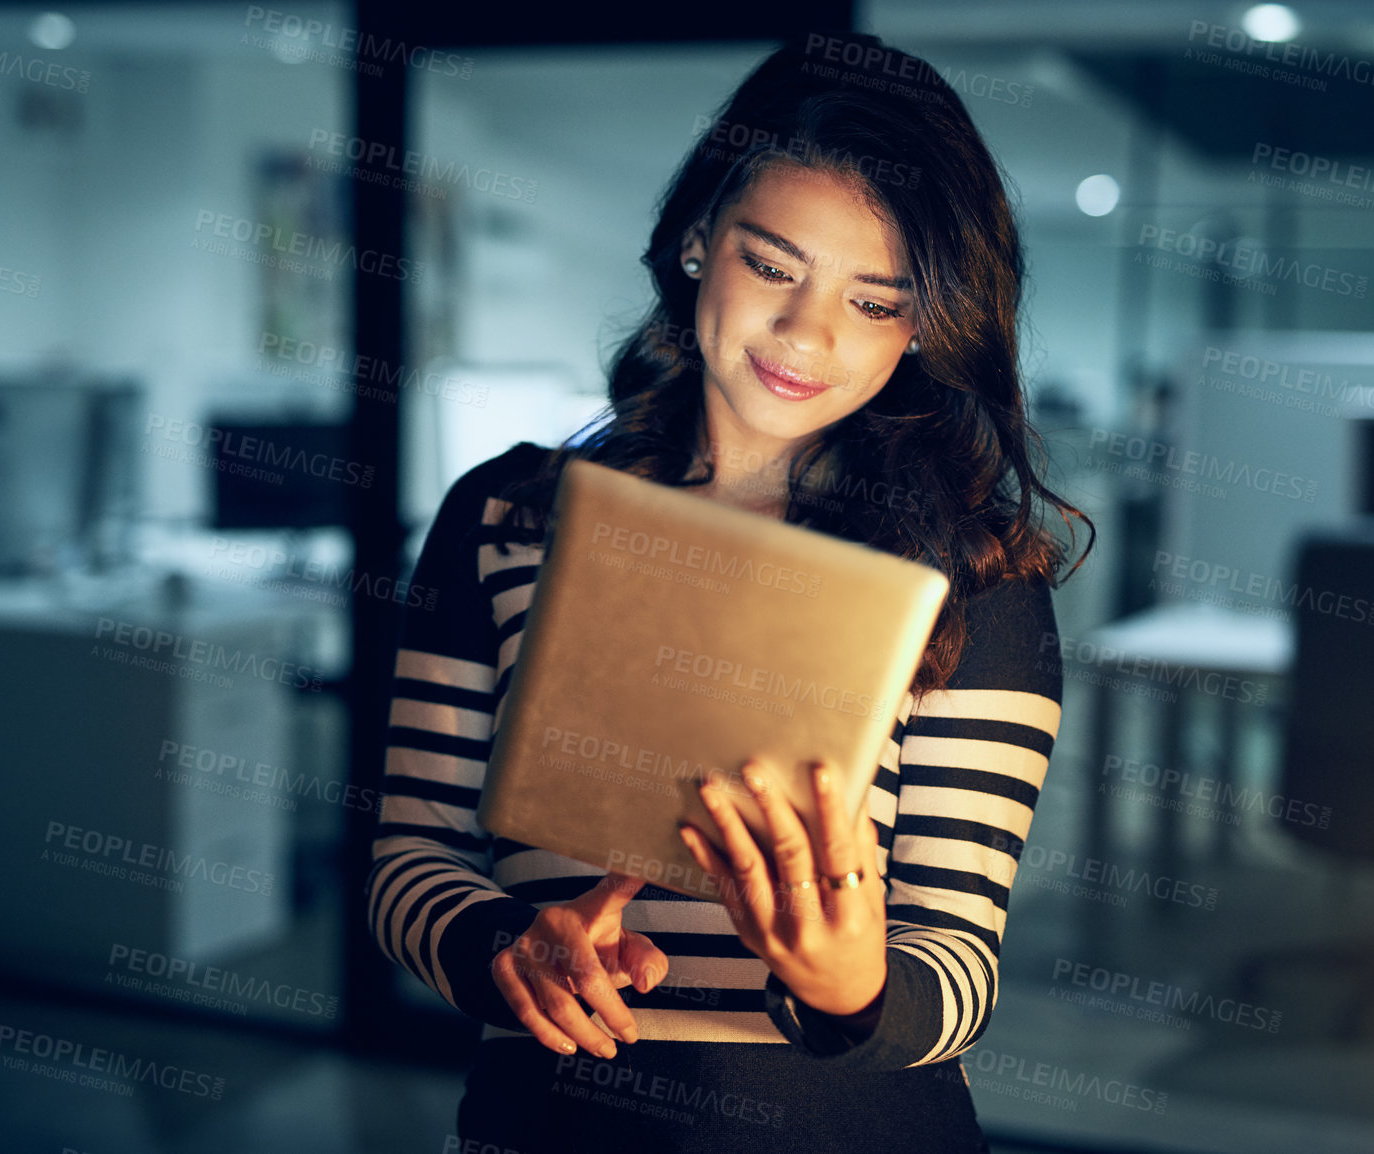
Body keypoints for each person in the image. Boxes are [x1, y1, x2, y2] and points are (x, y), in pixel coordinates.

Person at [367, 31, 1093, 1152]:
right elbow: (412, 855)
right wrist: (503, 944)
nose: (807, 335)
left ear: (920, 326)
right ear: (699, 241)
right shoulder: (504, 519)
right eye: (772, 266)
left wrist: (849, 978)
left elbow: (955, 966)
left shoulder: (972, 575)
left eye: (872, 300)